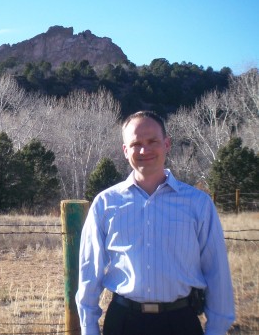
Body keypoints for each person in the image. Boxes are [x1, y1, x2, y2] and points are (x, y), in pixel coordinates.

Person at [76, 111, 235, 335]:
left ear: (167, 144)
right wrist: (88, 329)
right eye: (135, 144)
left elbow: (217, 273)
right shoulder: (105, 203)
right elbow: (89, 273)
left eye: (152, 141)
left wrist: (216, 329)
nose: (144, 150)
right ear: (125, 151)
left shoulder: (198, 204)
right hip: (123, 323)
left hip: (180, 322)